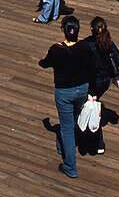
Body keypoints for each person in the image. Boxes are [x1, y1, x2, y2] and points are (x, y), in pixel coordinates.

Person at [38, 16, 96, 179]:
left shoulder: (56, 49)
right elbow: (92, 69)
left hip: (64, 92)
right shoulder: (85, 46)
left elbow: (45, 63)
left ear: (64, 30)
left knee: (67, 128)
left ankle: (70, 166)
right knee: (75, 120)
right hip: (82, 90)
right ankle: (62, 145)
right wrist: (93, 91)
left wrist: (41, 62)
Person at [82, 17, 119, 156]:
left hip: (92, 82)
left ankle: (96, 143)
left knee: (92, 110)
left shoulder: (87, 44)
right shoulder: (109, 43)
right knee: (94, 105)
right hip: (105, 81)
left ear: (92, 29)